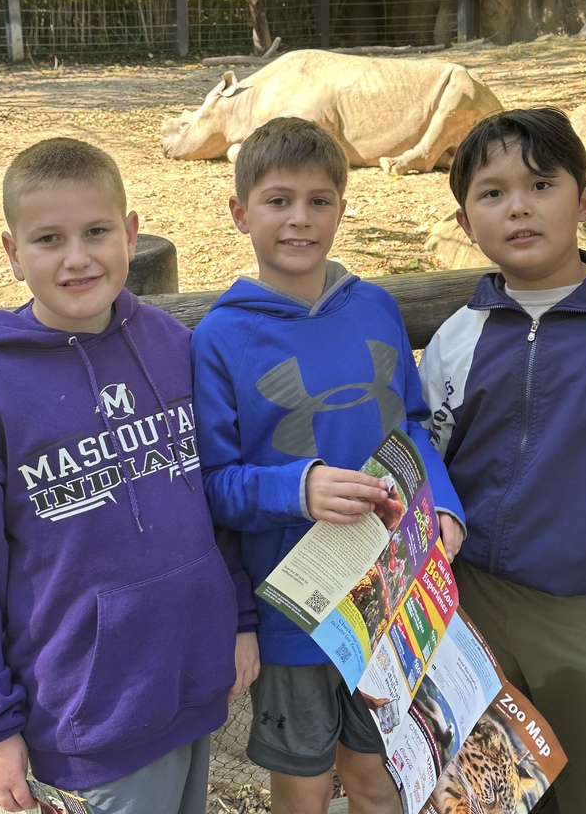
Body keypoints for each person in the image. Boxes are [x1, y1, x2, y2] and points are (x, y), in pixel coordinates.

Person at [0, 137, 259, 814]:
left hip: (194, 682)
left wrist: (239, 618)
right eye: (49, 238)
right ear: (13, 255)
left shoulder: (171, 346)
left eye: (96, 232)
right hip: (89, 715)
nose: (77, 257)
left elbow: (212, 499)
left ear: (131, 235)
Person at [190, 117, 465, 814]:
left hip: (390, 595)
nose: (299, 219)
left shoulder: (375, 306)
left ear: (342, 209)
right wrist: (297, 488)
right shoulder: (221, 338)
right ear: (239, 212)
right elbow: (215, 487)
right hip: (297, 613)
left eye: (319, 201)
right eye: (278, 200)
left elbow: (410, 424)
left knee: (377, 777)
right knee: (306, 787)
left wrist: (445, 507)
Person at [419, 107, 586, 814]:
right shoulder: (455, 340)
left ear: (585, 198)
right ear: (467, 221)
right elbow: (430, 470)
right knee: (490, 794)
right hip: (476, 612)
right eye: (492, 193)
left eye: (541, 184)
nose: (519, 207)